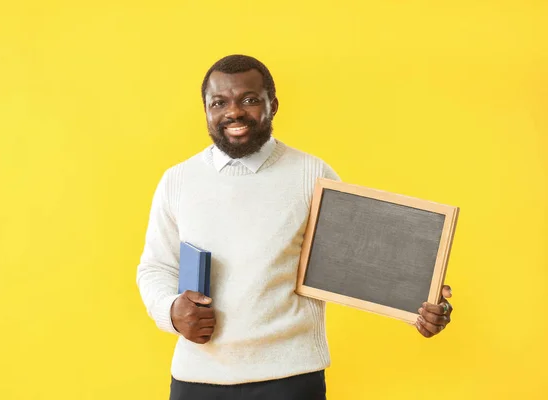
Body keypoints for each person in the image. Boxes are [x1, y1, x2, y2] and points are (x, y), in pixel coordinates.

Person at [136, 54, 454, 400]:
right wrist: (171, 311)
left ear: (273, 105)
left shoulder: (311, 175)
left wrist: (418, 301)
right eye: (219, 102)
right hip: (196, 378)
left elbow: (364, 262)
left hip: (290, 378)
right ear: (206, 110)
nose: (234, 112)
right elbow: (156, 267)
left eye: (250, 100)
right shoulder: (178, 180)